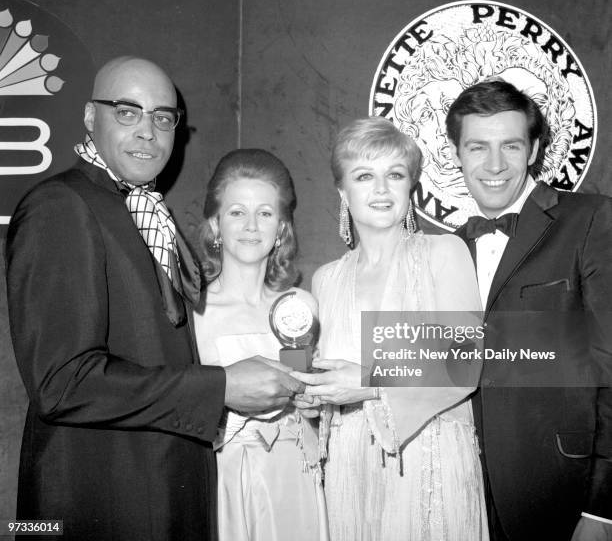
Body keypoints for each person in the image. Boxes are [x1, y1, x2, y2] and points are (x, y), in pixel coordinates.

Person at [5, 57, 303, 541]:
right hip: (102, 502)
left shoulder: (142, 210)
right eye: (128, 112)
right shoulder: (61, 206)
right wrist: (220, 388)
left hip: (163, 495)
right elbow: (62, 382)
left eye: (162, 117)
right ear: (88, 117)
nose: (148, 131)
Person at [293, 117, 488, 540]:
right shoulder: (325, 280)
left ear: (410, 187)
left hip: (429, 464)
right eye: (365, 176)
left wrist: (367, 380)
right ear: (343, 192)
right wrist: (312, 404)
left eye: (394, 175)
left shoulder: (445, 253)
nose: (381, 189)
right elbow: (330, 389)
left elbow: (466, 361)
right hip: (349, 471)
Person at [448, 79, 612, 541]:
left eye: (511, 146)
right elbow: (435, 367)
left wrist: (603, 510)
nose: (495, 165)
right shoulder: (447, 250)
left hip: (561, 493)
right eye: (478, 147)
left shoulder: (592, 219)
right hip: (464, 498)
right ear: (457, 154)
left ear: (535, 148)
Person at [193, 148, 327, 541]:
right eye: (237, 212)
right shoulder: (192, 311)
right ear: (216, 223)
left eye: (265, 213)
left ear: (282, 227)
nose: (251, 226)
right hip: (223, 482)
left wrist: (317, 403)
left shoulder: (300, 307)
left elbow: (316, 411)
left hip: (294, 478)